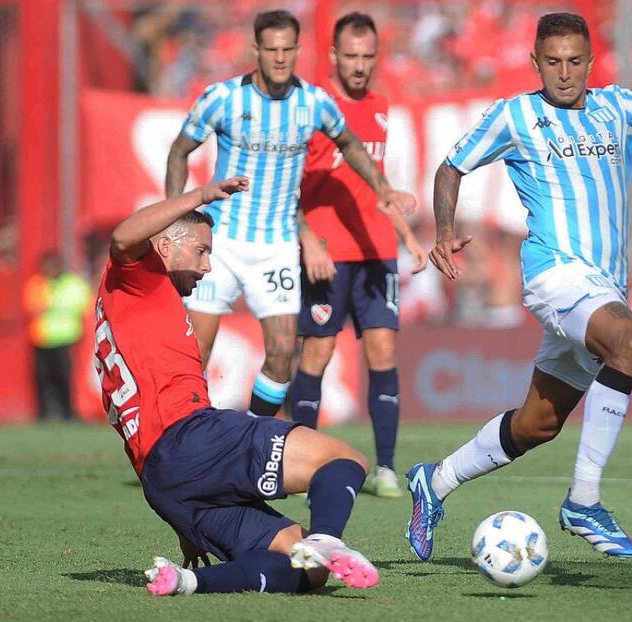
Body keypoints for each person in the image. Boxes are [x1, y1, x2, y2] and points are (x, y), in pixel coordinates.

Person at [405, 12, 632, 560]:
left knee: (538, 423)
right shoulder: (515, 115)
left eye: (575, 61)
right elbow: (450, 167)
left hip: (601, 284)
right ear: (535, 63)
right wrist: (443, 231)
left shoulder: (619, 108)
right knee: (628, 344)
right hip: (552, 273)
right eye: (553, 62)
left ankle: (434, 482)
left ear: (590, 60)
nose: (565, 73)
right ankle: (584, 501)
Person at [95, 176, 380, 596]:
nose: (208, 266)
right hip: (193, 438)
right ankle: (328, 538)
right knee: (344, 459)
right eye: (201, 250)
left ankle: (187, 581)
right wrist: (199, 195)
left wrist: (181, 514)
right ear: (164, 246)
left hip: (163, 481)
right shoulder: (140, 277)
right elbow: (122, 238)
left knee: (309, 569)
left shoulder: (126, 309)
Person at [166, 10, 414, 418]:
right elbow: (180, 151)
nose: (280, 58)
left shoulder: (313, 103)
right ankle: (180, 446)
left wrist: (381, 187)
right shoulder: (224, 98)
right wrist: (176, 220)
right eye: (272, 50)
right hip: (222, 241)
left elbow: (349, 143)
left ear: (298, 50)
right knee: (196, 353)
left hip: (277, 245)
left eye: (287, 50)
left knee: (282, 355)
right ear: (256, 50)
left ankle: (250, 445)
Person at [291, 12, 427, 498]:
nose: (360, 66)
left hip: (376, 253)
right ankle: (300, 462)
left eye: (368, 57)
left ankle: (386, 467)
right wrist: (307, 238)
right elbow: (287, 185)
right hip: (326, 256)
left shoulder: (381, 107)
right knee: (318, 355)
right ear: (332, 56)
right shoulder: (309, 107)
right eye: (351, 56)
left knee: (384, 351)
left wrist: (408, 238)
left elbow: (376, 188)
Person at [22, 251, 91, 421]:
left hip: (67, 338)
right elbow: (31, 307)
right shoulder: (36, 284)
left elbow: (84, 306)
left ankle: (70, 412)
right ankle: (44, 414)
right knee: (42, 378)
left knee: (66, 377)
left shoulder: (73, 283)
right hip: (42, 338)